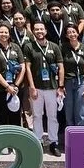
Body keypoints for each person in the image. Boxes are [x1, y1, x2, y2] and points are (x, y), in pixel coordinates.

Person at [26, 21, 62, 156]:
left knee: (52, 116)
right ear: (33, 31)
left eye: (41, 29)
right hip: (37, 87)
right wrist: (32, 86)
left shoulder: (54, 46)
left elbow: (61, 67)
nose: (39, 31)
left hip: (52, 87)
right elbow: (27, 68)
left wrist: (61, 86)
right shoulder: (29, 46)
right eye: (36, 29)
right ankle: (38, 141)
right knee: (37, 116)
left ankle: (53, 142)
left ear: (46, 31)